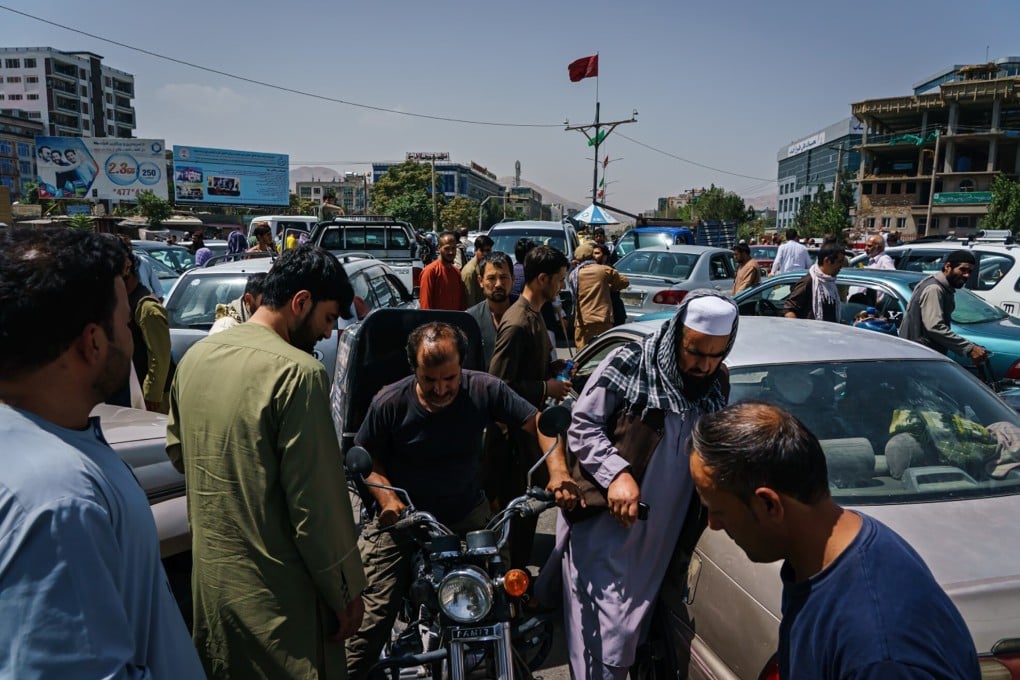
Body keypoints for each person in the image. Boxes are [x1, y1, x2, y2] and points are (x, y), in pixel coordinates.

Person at [0, 228, 202, 676]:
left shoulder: (38, 447)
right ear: (93, 343)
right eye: (126, 324)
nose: (130, 338)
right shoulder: (58, 500)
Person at [167, 245, 366, 678]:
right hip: (281, 610)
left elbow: (181, 454)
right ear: (301, 302)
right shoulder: (300, 375)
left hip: (214, 596)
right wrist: (347, 593)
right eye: (329, 318)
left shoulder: (195, 358)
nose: (329, 335)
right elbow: (317, 511)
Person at [345, 322, 578, 679]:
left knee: (503, 602)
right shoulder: (389, 401)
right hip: (406, 519)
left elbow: (540, 424)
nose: (441, 389)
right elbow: (366, 459)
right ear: (415, 371)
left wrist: (559, 473)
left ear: (462, 366)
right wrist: (388, 499)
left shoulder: (484, 388)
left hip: (467, 513)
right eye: (430, 380)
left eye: (449, 378)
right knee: (369, 620)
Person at [689, 401, 980, 679]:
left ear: (769, 505)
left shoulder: (879, 653)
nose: (713, 525)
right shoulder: (834, 551)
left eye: (718, 511)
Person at [545, 291, 739, 679]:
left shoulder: (718, 380)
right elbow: (582, 424)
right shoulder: (631, 362)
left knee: (629, 636)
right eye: (695, 352)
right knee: (607, 635)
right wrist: (617, 473)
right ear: (677, 336)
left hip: (664, 537)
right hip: (608, 528)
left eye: (715, 354)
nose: (704, 365)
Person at [489, 245, 573, 568]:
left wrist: (554, 373)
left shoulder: (535, 316)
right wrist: (545, 388)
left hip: (529, 441)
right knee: (516, 526)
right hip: (513, 446)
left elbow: (529, 368)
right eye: (559, 280)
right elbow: (499, 386)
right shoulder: (517, 323)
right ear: (542, 279)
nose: (562, 287)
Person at [899, 250, 989, 365]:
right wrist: (969, 348)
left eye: (970, 271)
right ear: (948, 266)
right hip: (917, 358)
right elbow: (935, 327)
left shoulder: (943, 287)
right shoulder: (934, 288)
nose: (967, 275)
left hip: (923, 356)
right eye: (962, 270)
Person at [570, 243, 629, 348]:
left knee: (583, 354)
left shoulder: (574, 275)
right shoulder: (603, 270)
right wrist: (609, 287)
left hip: (582, 321)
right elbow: (624, 282)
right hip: (602, 319)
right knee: (603, 353)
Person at [466, 251, 516, 368]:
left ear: (513, 279)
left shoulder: (527, 315)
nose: (498, 284)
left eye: (503, 277)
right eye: (491, 278)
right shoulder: (471, 319)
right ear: (480, 281)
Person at [783, 242, 845, 322]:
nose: (841, 266)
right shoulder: (809, 281)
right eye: (839, 262)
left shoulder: (830, 282)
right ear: (827, 261)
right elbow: (789, 310)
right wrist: (799, 330)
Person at [417, 230, 467, 310]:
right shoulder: (430, 271)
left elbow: (461, 304)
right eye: (447, 248)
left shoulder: (456, 272)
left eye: (453, 248)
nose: (451, 252)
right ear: (439, 248)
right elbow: (425, 307)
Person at [461, 233, 493, 307]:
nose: (485, 254)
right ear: (475, 250)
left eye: (488, 250)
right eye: (482, 250)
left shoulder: (486, 266)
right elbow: (470, 301)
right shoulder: (470, 271)